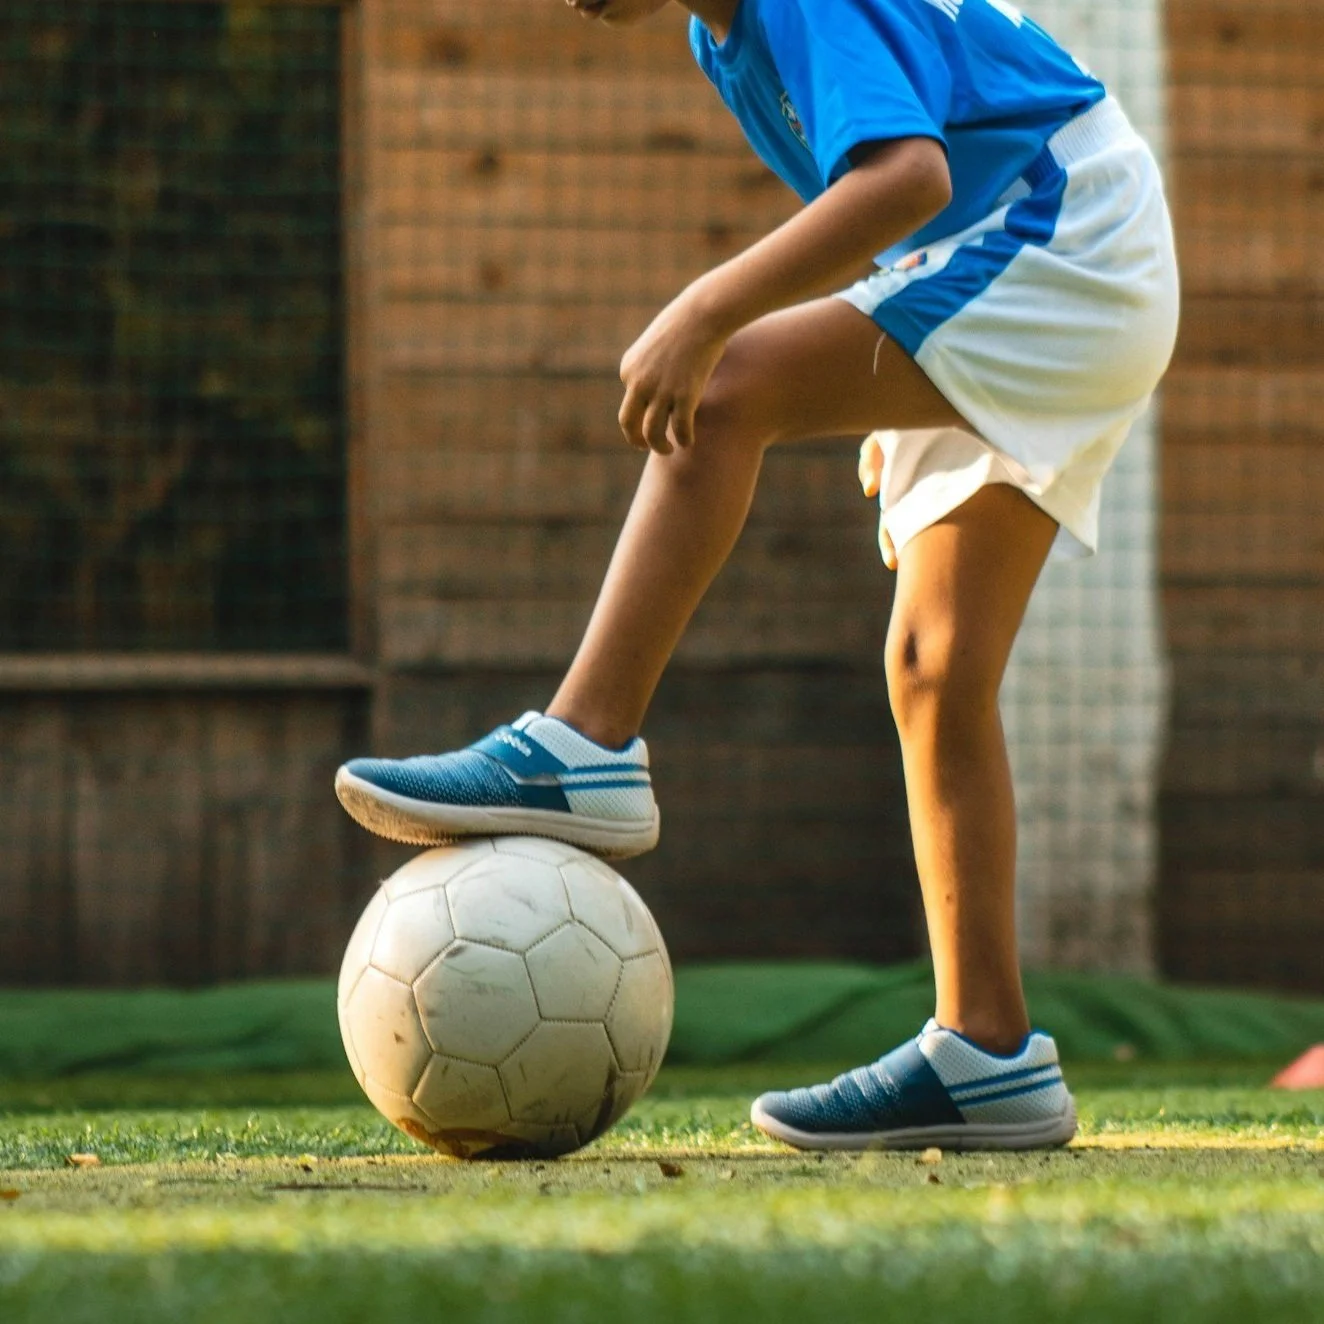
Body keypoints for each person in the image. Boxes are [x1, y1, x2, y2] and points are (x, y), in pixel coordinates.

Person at [335, 0, 1179, 1151]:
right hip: (1048, 250)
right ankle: (989, 1054)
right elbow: (914, 173)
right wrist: (898, 364)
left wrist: (707, 307)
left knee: (724, 385)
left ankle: (584, 745)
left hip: (1056, 241)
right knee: (934, 667)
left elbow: (906, 177)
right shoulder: (718, 33)